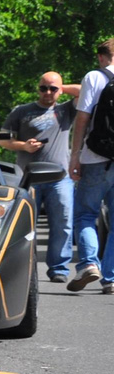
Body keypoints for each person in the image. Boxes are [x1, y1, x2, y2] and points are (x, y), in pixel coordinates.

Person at [1, 71, 76, 282]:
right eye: (43, 88)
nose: (47, 93)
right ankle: (25, 267)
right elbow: (4, 140)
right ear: (37, 89)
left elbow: (85, 90)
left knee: (63, 222)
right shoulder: (22, 111)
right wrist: (23, 145)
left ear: (60, 90)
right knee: (26, 226)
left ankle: (59, 269)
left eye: (53, 89)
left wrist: (62, 87)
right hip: (29, 178)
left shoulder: (66, 110)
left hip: (60, 178)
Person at [66, 39, 114, 293]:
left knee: (86, 214)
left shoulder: (94, 77)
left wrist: (75, 155)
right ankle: (112, 278)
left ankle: (88, 264)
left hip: (96, 157)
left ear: (101, 57)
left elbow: (82, 117)